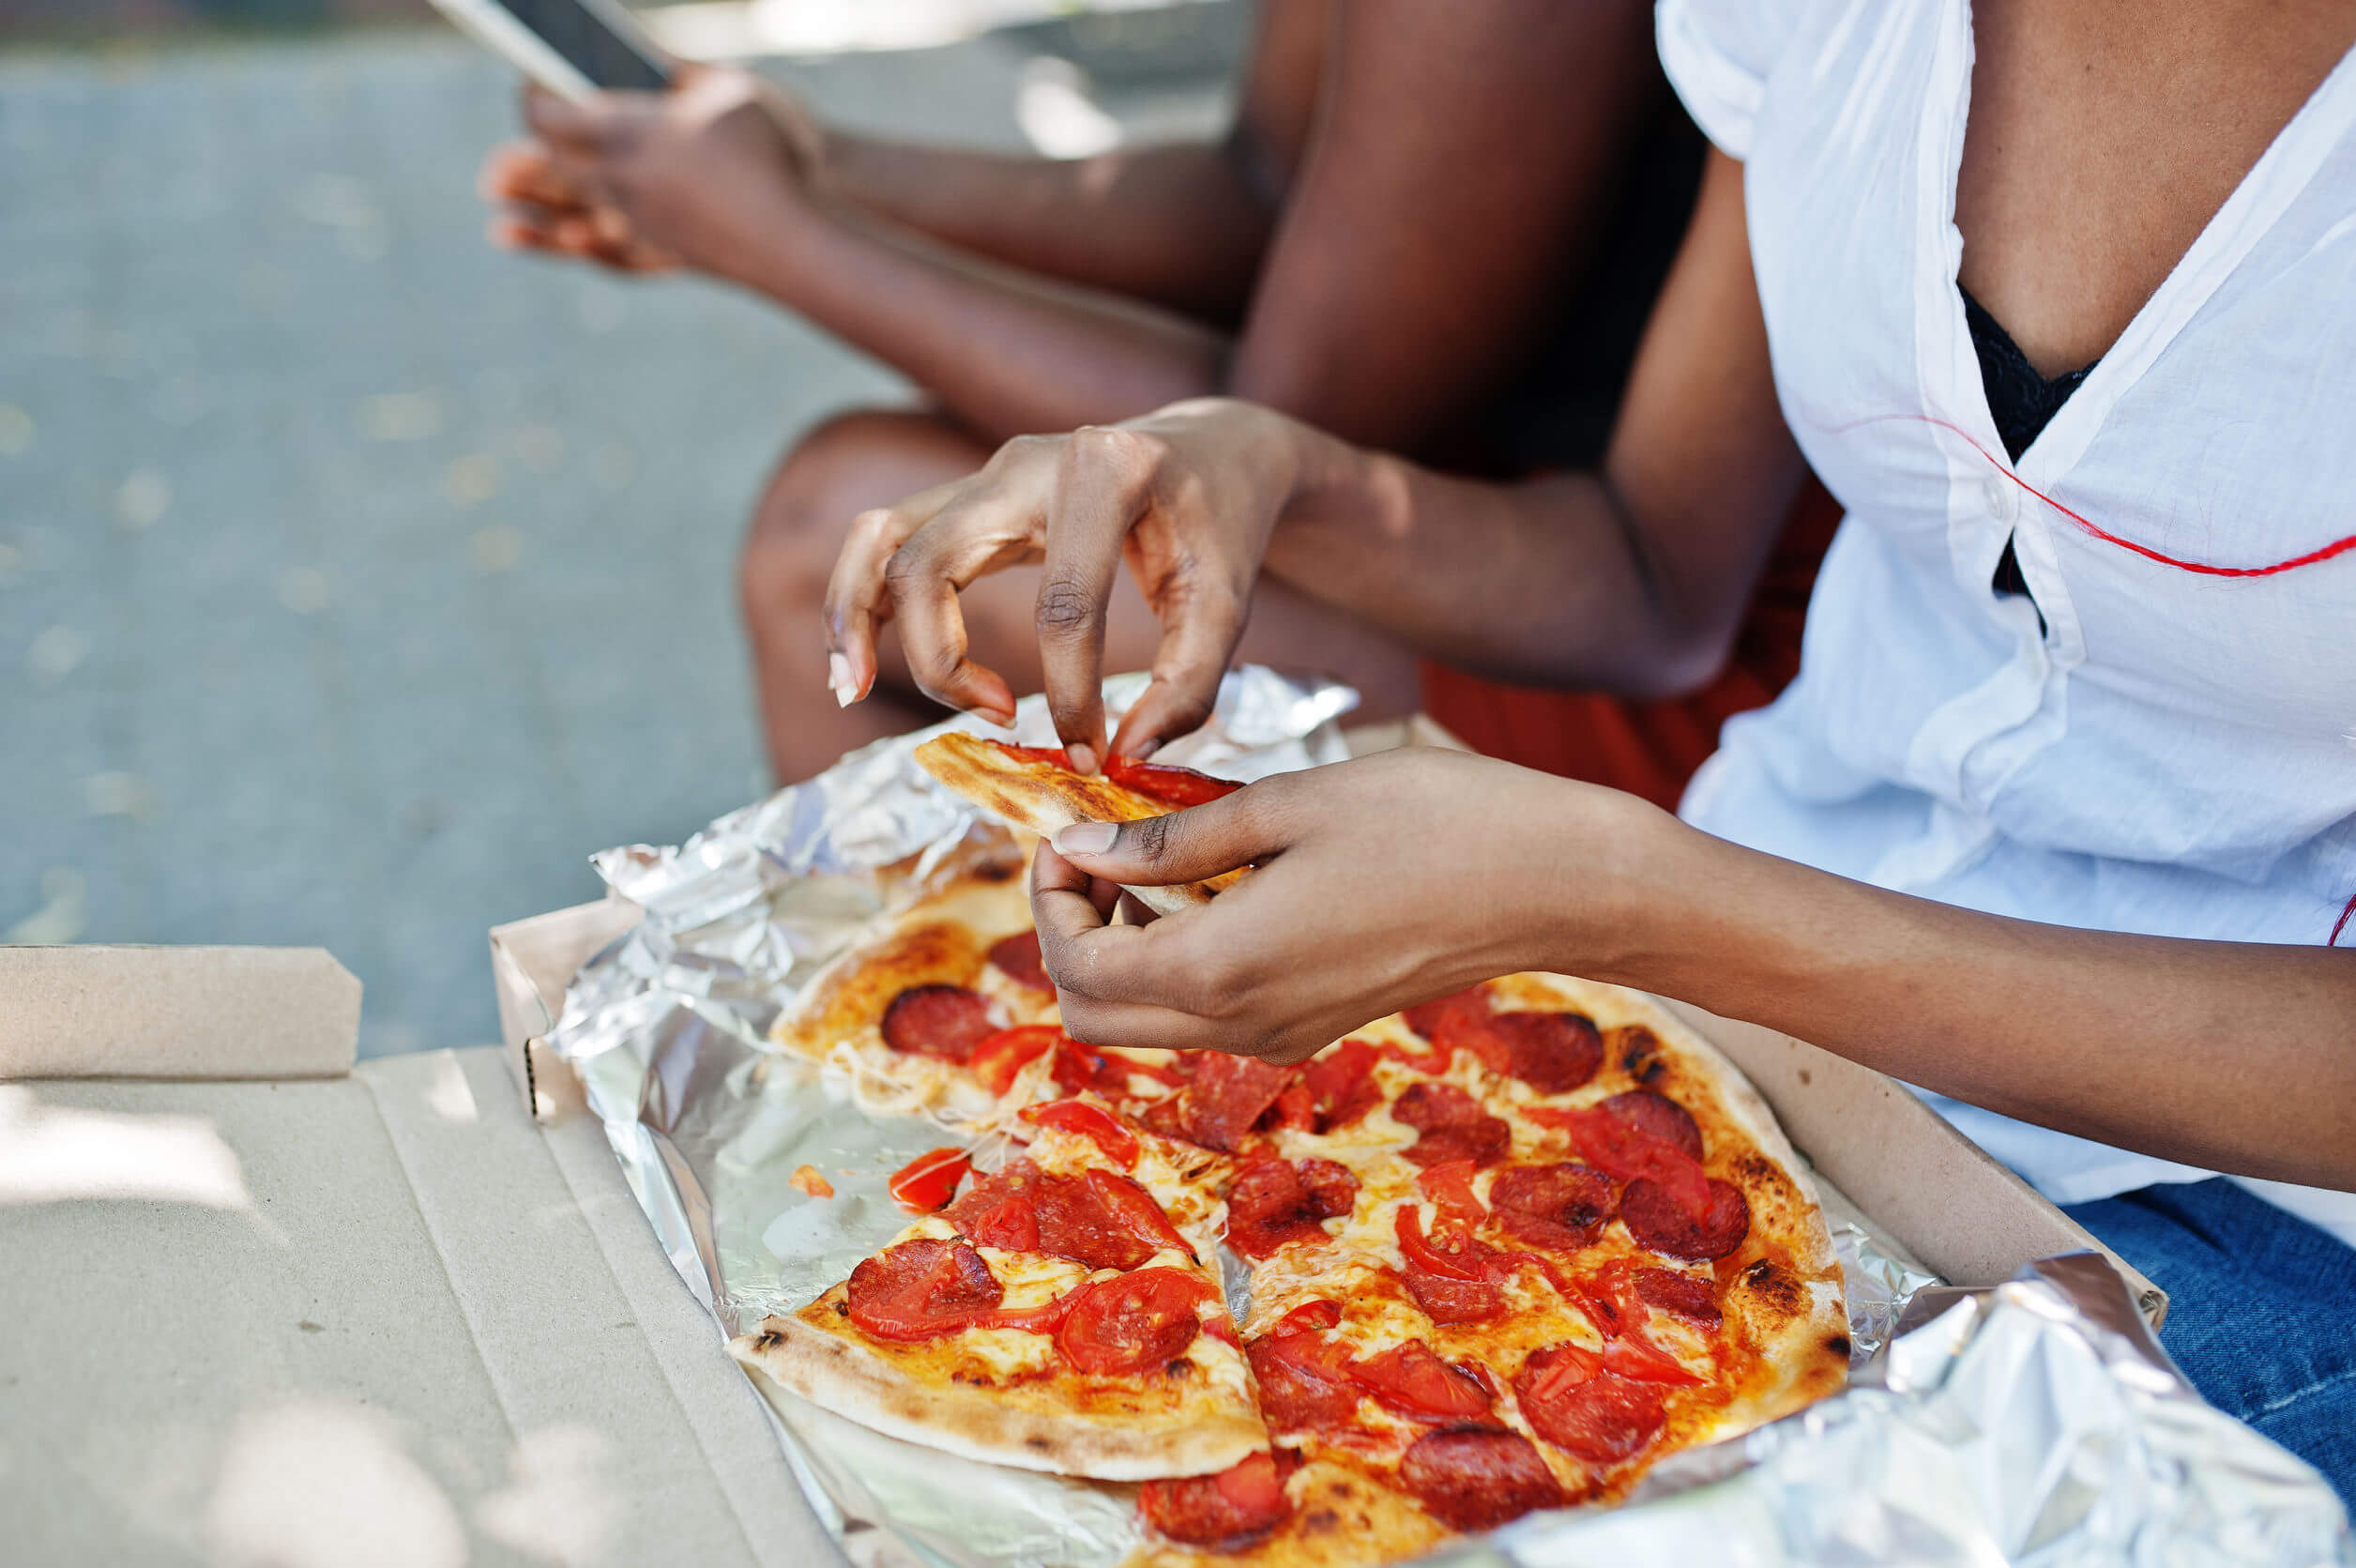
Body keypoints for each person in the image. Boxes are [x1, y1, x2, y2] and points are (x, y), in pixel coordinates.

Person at [818, 0, 2356, 1496]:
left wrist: (1647, 906)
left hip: (2253, 1224)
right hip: (1708, 979)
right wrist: (1278, 470)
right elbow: (1646, 579)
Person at [479, 1, 1832, 795]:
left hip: (1692, 680)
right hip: (1500, 522)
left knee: (832, 531)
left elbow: (1271, 430)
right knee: (869, 508)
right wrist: (812, 168)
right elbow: (1262, 197)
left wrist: (779, 239)